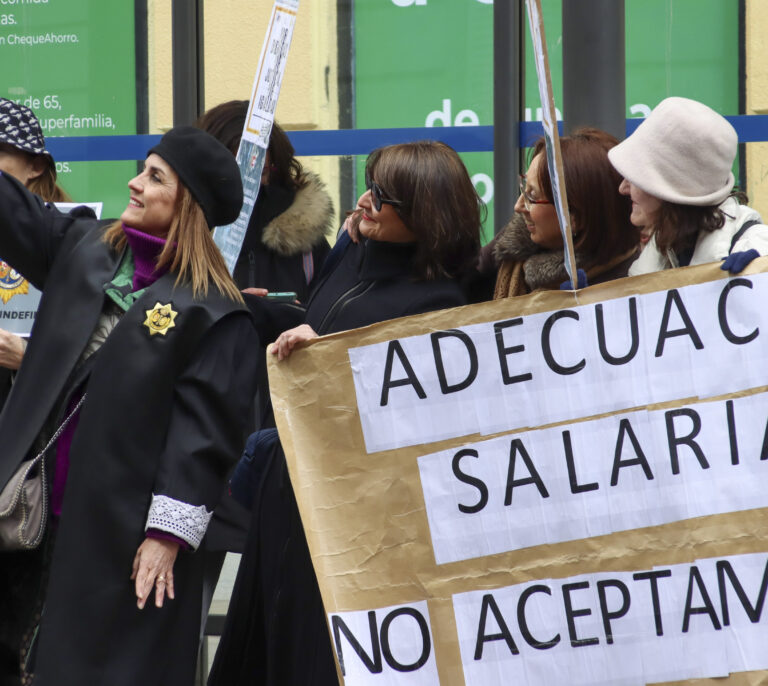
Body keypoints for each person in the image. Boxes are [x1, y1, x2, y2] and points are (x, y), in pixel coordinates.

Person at [207, 140, 483, 686]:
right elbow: (322, 319)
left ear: (425, 215)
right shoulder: (354, 252)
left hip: (348, 518)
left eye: (384, 198)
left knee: (311, 653)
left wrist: (331, 357)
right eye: (371, 185)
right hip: (291, 488)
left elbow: (403, 424)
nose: (365, 202)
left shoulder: (438, 304)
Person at [0, 126, 258, 686]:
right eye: (142, 169)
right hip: (27, 517)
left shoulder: (212, 311)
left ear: (186, 202)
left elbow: (205, 436)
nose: (133, 184)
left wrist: (165, 537)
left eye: (154, 176)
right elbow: (11, 210)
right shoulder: (85, 247)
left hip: (116, 542)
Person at [472, 127, 639, 301]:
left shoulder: (632, 292)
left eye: (532, 196)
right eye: (523, 188)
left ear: (575, 217)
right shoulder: (509, 252)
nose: (518, 206)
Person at [607, 96, 768, 276]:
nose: (623, 188)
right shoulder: (664, 251)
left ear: (670, 186)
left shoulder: (756, 248)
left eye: (636, 176)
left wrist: (762, 276)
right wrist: (582, 300)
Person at [195, 100, 333, 299]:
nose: (248, 185)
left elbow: (326, 313)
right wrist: (226, 305)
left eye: (262, 172)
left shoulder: (303, 237)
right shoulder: (185, 236)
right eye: (237, 173)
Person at [0, 98, 71, 408]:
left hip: (32, 424)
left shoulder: (72, 239)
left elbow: (91, 351)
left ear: (36, 166)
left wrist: (29, 357)